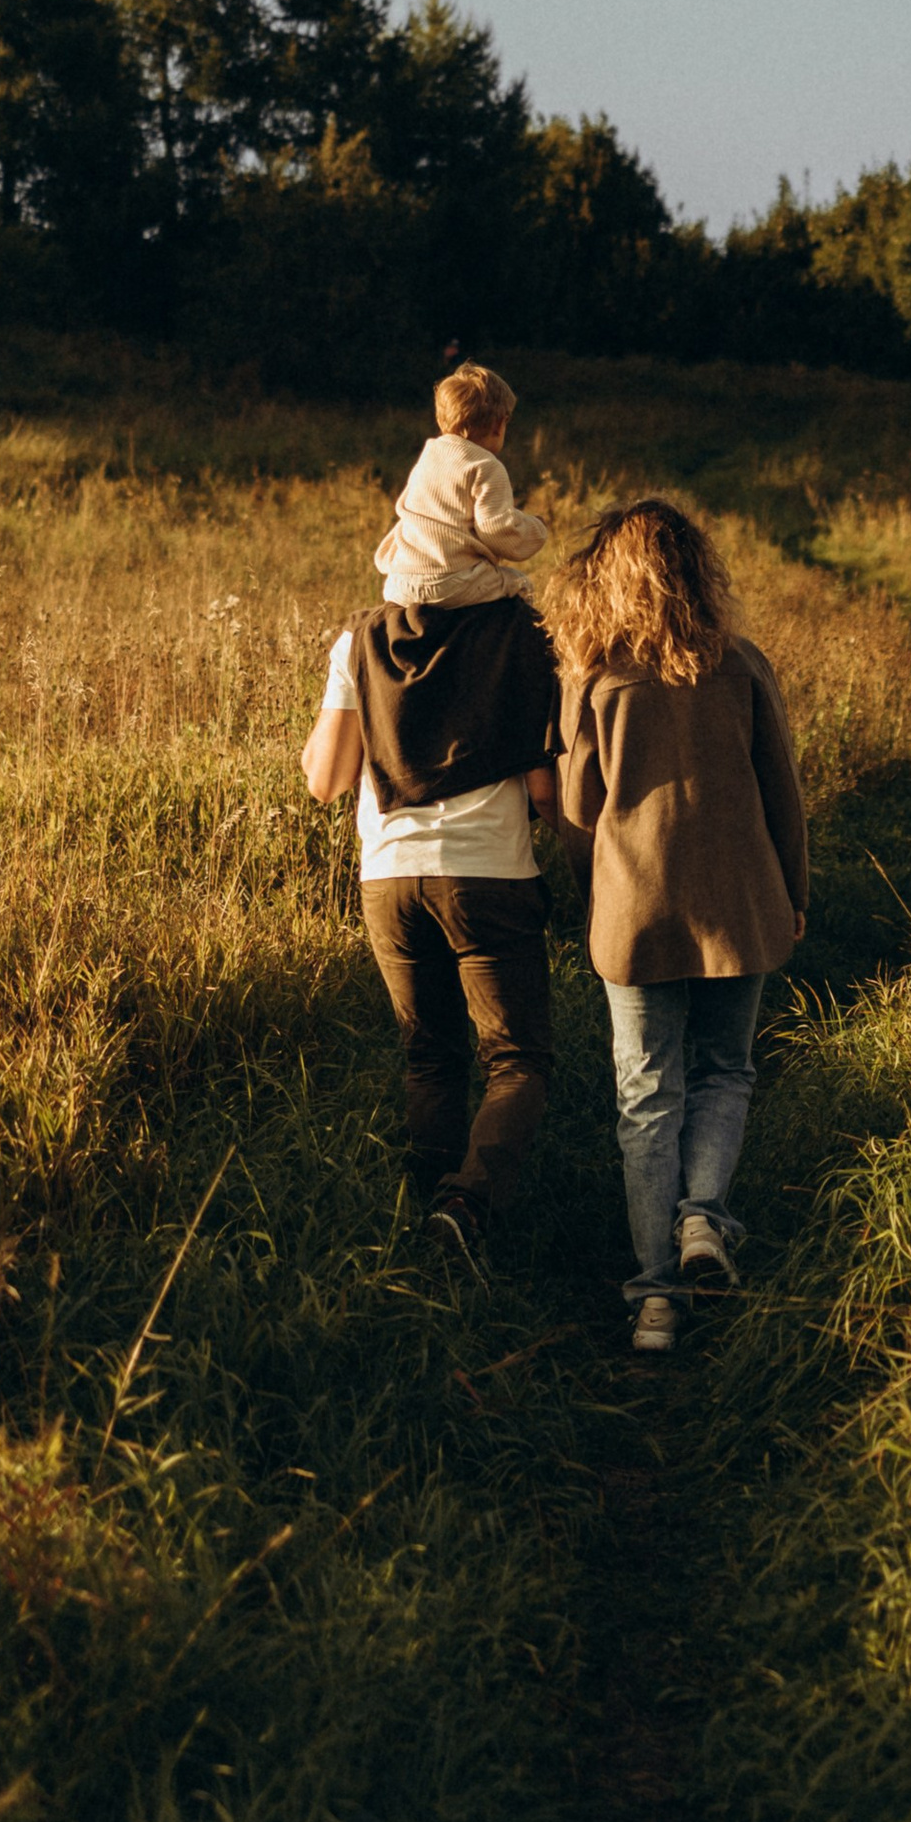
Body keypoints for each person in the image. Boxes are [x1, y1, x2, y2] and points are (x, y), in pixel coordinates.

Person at [550, 499, 807, 1356]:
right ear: (700, 575)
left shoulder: (598, 683)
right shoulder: (743, 665)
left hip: (637, 913)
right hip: (741, 900)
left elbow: (580, 809)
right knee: (723, 1072)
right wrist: (794, 895)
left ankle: (653, 1299)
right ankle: (704, 1220)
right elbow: (785, 798)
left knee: (645, 1097)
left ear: (607, 585)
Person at [302, 475, 561, 1276]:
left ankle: (415, 1231)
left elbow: (325, 779)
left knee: (430, 1054)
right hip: (487, 871)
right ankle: (466, 1206)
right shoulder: (526, 633)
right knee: (516, 1059)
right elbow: (547, 790)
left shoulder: (359, 640)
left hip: (388, 874)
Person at [374, 363, 548, 605]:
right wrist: (535, 528)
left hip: (400, 582)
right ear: (499, 424)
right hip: (451, 582)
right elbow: (497, 529)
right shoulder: (486, 466)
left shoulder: (430, 454)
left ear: (440, 417)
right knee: (521, 585)